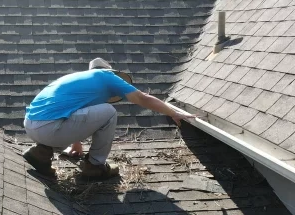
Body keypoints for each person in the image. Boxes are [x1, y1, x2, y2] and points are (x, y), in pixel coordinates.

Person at [22, 58, 194, 180]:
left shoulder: (79, 79)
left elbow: (75, 112)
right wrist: (173, 112)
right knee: (109, 112)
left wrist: (76, 143)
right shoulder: (107, 76)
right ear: (113, 73)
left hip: (31, 125)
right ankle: (95, 166)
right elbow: (142, 98)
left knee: (96, 112)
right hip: (50, 128)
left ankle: (41, 154)